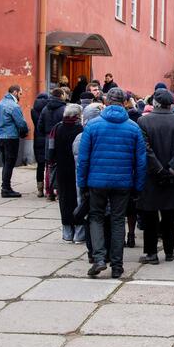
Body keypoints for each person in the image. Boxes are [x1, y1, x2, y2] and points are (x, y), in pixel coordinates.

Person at [78, 88, 147, 279]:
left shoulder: (92, 126)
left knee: (96, 218)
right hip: (123, 182)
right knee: (118, 221)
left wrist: (82, 184)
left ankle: (99, 258)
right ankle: (117, 265)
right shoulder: (133, 127)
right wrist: (138, 187)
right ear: (125, 103)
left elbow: (83, 159)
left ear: (107, 102)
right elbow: (141, 161)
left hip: (96, 181)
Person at [136, 89, 174, 264]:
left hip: (151, 175)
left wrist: (159, 169)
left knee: (150, 216)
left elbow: (146, 149)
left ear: (155, 103)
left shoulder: (144, 121)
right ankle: (169, 251)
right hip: (171, 176)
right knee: (169, 216)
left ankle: (151, 253)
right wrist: (171, 169)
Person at [73, 103, 104, 263]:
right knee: (99, 216)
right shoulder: (96, 132)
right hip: (97, 182)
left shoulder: (83, 135)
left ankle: (93, 251)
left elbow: (80, 161)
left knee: (91, 216)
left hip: (90, 182)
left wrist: (82, 183)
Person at [52, 104, 84, 242]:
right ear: (78, 116)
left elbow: (51, 150)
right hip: (77, 169)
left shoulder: (57, 128)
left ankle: (67, 234)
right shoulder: (81, 130)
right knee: (79, 201)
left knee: (64, 201)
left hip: (62, 170)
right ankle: (79, 234)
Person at [0, 85, 29, 197]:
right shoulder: (14, 106)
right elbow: (21, 123)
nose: (21, 96)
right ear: (15, 92)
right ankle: (6, 188)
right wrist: (24, 132)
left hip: (0, 137)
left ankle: (5, 187)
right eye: (20, 93)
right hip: (11, 137)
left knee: (5, 163)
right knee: (10, 163)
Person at [37, 88, 67, 201]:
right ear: (61, 95)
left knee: (49, 166)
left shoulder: (45, 108)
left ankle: (49, 193)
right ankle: (59, 192)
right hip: (60, 140)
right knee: (60, 166)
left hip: (48, 139)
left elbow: (39, 126)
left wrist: (47, 134)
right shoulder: (64, 109)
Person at [30, 92, 49, 197]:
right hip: (47, 138)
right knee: (49, 165)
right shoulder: (48, 110)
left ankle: (40, 189)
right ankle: (49, 188)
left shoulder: (33, 111)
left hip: (37, 139)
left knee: (40, 165)